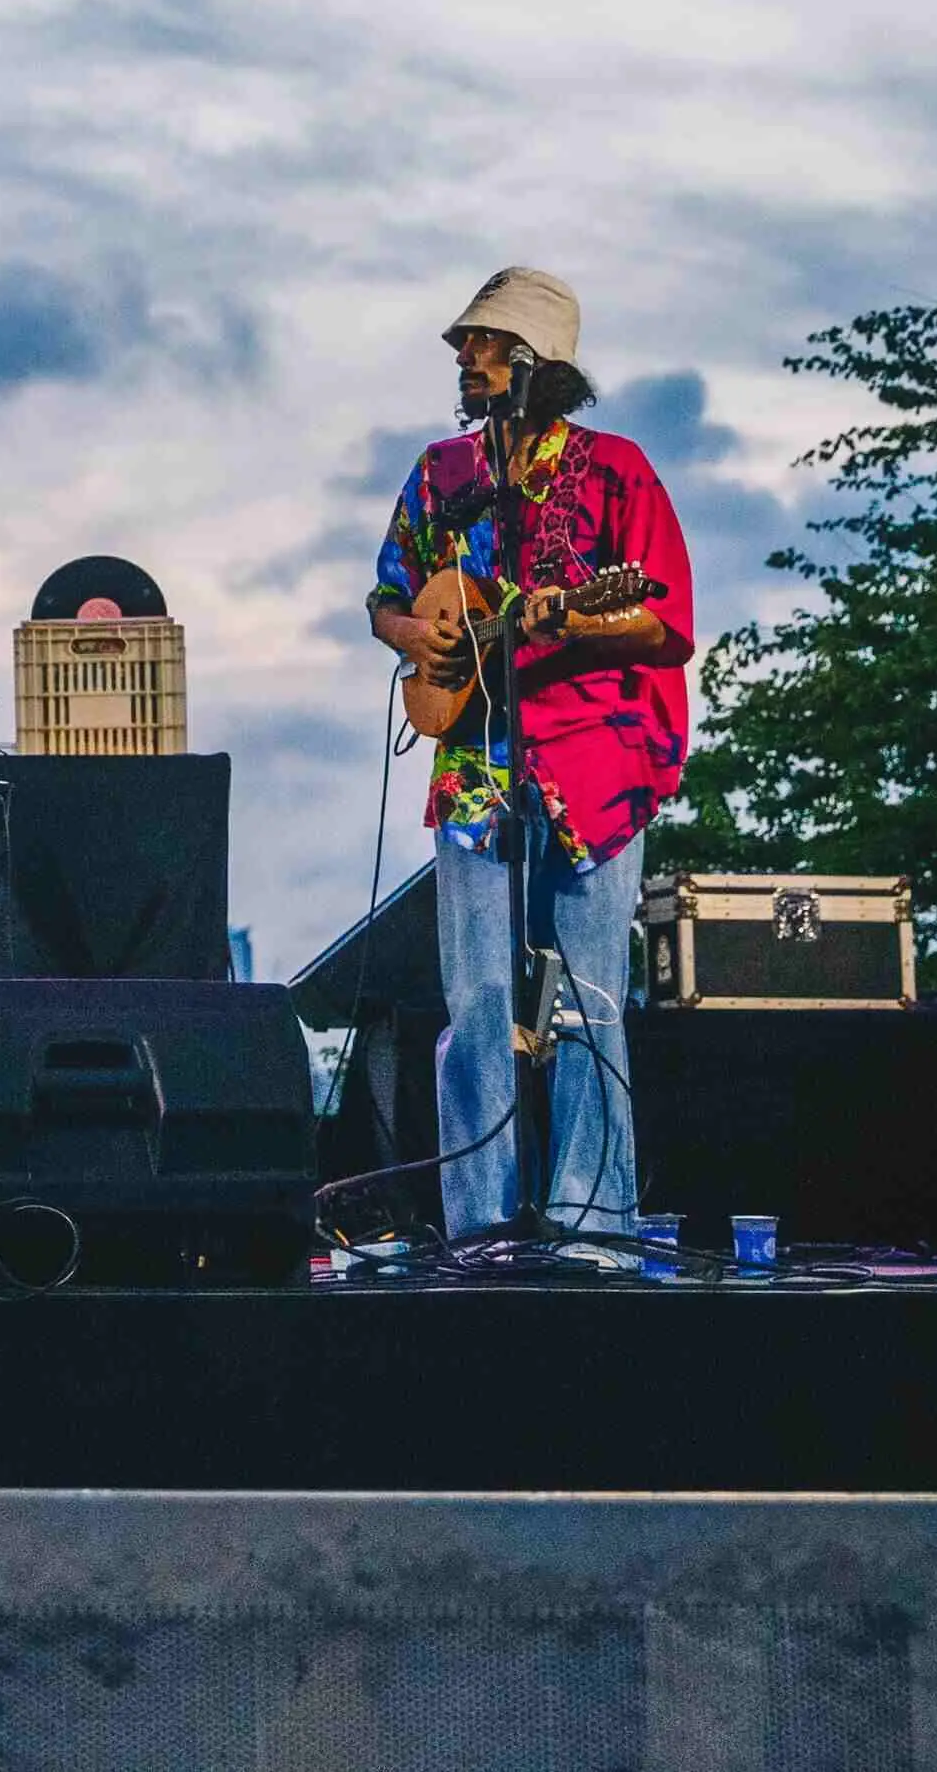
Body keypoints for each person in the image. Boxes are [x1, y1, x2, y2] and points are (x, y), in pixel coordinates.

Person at [365, 269, 696, 1254]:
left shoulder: (616, 471)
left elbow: (663, 620)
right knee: (474, 1003)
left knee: (590, 999)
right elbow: (387, 596)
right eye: (465, 342)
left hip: (593, 757)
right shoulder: (439, 472)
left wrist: (569, 621)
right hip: (475, 758)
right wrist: (416, 638)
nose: (463, 356)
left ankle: (592, 1224)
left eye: (482, 341)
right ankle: (482, 1224)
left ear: (534, 360)